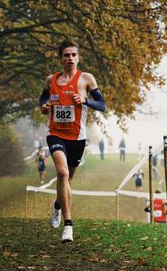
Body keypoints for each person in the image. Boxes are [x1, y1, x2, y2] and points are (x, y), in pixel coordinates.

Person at [39, 39, 106, 243]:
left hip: (77, 138)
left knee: (67, 180)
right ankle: (68, 226)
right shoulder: (51, 80)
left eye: (74, 55)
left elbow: (102, 105)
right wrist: (43, 107)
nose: (70, 58)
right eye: (66, 55)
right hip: (56, 134)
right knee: (62, 172)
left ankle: (58, 206)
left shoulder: (86, 79)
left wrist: (85, 100)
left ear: (78, 57)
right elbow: (42, 99)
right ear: (61, 58)